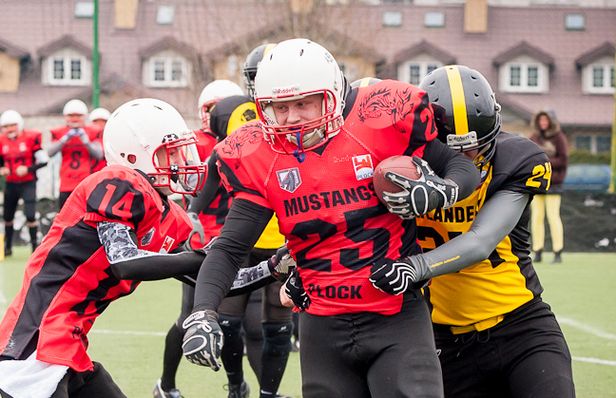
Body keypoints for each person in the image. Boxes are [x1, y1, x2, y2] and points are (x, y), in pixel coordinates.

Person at [181, 38, 480, 398]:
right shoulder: (259, 153)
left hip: (396, 314)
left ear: (333, 94)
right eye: (279, 106)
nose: (291, 117)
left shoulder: (379, 118)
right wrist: (202, 313)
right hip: (321, 323)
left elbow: (460, 166)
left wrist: (440, 191)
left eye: (303, 103)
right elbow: (230, 247)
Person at [0, 98, 291, 398]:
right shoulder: (118, 182)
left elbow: (214, 280)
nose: (181, 161)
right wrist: (201, 257)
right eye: (171, 152)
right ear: (135, 153)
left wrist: (272, 268)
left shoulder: (170, 216)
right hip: (34, 346)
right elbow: (124, 262)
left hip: (68, 347)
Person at [366, 65, 575, 397]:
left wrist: (415, 267)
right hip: (445, 343)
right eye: (456, 150)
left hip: (521, 327)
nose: (470, 157)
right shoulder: (400, 168)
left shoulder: (515, 160)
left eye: (476, 146)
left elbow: (480, 241)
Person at [190, 94, 292, 398]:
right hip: (245, 233)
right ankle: (236, 385)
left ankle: (269, 392)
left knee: (277, 324)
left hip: (284, 237)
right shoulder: (232, 112)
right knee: (228, 320)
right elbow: (216, 164)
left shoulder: (298, 119)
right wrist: (193, 211)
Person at [153, 80, 248, 398]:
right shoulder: (193, 143)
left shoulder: (254, 143)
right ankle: (166, 384)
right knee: (188, 316)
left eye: (220, 107)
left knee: (231, 321)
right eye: (209, 108)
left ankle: (237, 386)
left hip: (238, 239)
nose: (214, 114)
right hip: (201, 240)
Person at [0, 110, 48, 255]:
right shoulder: (2, 141)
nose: (10, 129)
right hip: (11, 183)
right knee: (8, 216)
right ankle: (7, 247)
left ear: (19, 125)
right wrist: (2, 168)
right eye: (6, 126)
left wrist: (28, 169)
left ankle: (35, 248)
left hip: (28, 182)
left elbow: (44, 160)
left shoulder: (31, 138)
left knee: (30, 215)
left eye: (13, 125)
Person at [47, 99, 104, 209]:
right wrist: (65, 139)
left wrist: (86, 141)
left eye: (78, 115)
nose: (74, 118)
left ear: (84, 116)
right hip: (66, 181)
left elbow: (99, 154)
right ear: (65, 116)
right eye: (71, 115)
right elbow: (50, 152)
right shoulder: (60, 132)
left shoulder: (93, 131)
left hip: (86, 181)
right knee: (65, 216)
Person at [530, 110, 568, 263]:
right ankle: (537, 251)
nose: (543, 123)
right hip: (538, 183)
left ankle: (557, 251)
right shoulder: (534, 137)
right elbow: (528, 156)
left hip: (554, 184)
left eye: (546, 120)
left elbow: (563, 159)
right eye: (541, 120)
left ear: (551, 121)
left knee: (553, 217)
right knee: (536, 217)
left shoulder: (559, 138)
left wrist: (545, 162)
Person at [88, 107, 111, 173]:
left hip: (107, 173)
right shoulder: (87, 138)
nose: (100, 124)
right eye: (96, 122)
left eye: (103, 121)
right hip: (92, 174)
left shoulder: (111, 138)